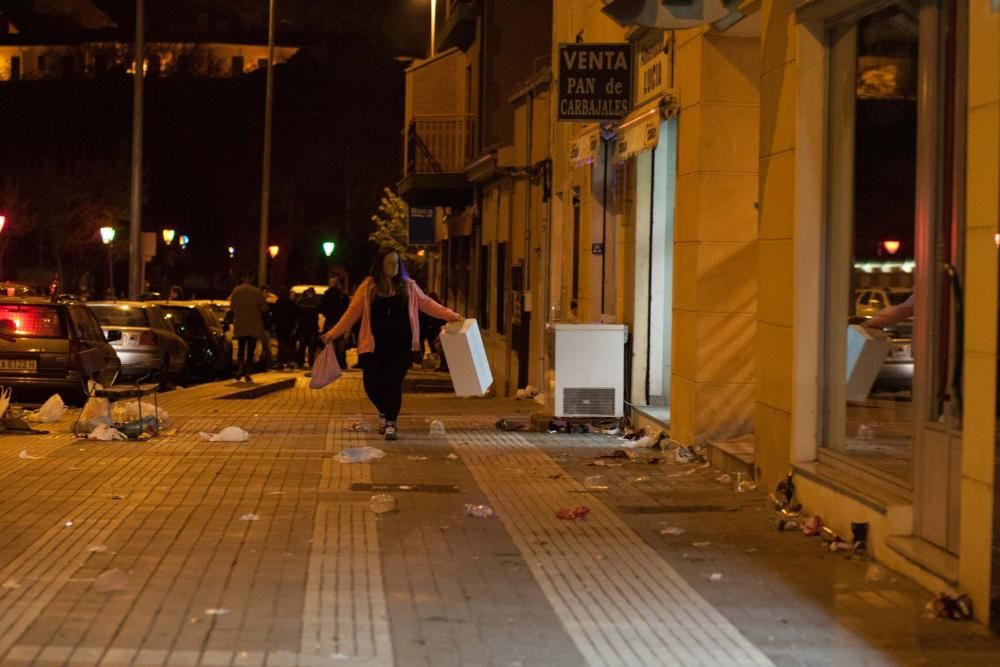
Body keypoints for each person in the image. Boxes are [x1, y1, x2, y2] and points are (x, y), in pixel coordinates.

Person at [322, 246, 462, 440]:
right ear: (380, 265)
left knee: (393, 384)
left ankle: (390, 422)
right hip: (373, 346)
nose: (393, 266)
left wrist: (452, 316)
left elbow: (428, 305)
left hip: (400, 346)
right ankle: (384, 411)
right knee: (371, 385)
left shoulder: (408, 286)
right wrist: (332, 333)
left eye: (396, 262)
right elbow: (351, 314)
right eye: (389, 262)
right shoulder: (368, 287)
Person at [228, 272, 268, 382]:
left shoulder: (236, 290)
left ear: (243, 278)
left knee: (241, 348)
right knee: (250, 350)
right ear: (252, 278)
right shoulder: (256, 292)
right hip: (253, 325)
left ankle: (240, 367)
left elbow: (232, 307)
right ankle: (247, 372)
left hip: (240, 324)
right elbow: (264, 308)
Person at [319, 275, 350, 369]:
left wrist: (326, 314)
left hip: (330, 322)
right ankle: (341, 363)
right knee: (340, 344)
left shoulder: (327, 295)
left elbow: (321, 308)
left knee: (330, 344)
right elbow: (346, 308)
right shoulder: (342, 295)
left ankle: (330, 364)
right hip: (339, 322)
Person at [418, 291, 448, 371]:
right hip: (433, 329)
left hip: (430, 329)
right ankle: (438, 363)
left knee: (434, 346)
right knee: (435, 347)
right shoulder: (438, 306)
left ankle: (436, 363)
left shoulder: (428, 306)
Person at [271, 286, 298, 370]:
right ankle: (289, 361)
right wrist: (294, 326)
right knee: (287, 343)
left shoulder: (278, 303)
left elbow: (274, 315)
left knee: (281, 343)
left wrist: (273, 325)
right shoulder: (291, 303)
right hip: (289, 326)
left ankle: (280, 362)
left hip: (280, 326)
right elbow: (295, 316)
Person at [294, 287, 321, 369]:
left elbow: (297, 313)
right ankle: (311, 362)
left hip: (303, 327)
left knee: (302, 345)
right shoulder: (316, 302)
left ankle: (300, 362)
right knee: (311, 346)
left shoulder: (300, 301)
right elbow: (320, 310)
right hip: (312, 327)